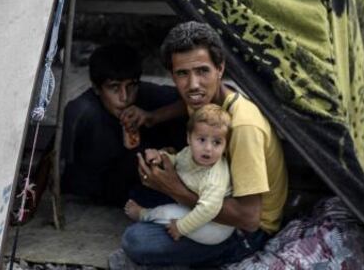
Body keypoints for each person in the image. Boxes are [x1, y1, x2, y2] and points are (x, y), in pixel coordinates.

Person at [119, 22, 288, 268]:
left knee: (136, 241)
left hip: (245, 231)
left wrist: (175, 189)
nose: (193, 85)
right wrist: (152, 117)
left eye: (202, 71)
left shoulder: (243, 127)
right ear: (172, 75)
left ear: (220, 69)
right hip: (213, 190)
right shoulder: (204, 100)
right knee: (137, 191)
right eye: (182, 74)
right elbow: (185, 104)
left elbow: (249, 219)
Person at [60, 43, 183, 207]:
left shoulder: (143, 93)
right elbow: (59, 165)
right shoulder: (83, 111)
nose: (124, 97)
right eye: (114, 88)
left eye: (130, 86)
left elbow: (195, 101)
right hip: (93, 191)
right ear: (97, 89)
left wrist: (152, 117)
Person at [124, 103, 235, 246]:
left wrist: (181, 227)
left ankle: (144, 214)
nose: (208, 148)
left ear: (225, 146)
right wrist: (161, 156)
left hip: (214, 226)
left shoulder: (215, 178)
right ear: (189, 138)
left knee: (166, 213)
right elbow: (178, 160)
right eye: (201, 140)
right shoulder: (189, 152)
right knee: (138, 193)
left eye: (217, 142)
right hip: (194, 204)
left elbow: (207, 210)